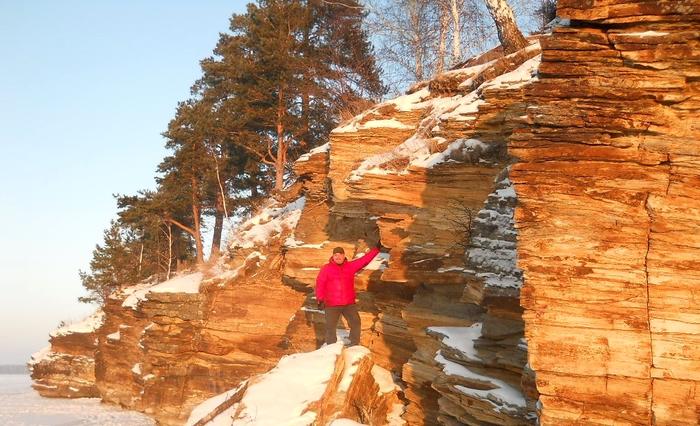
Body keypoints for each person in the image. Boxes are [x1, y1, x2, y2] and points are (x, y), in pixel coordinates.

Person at [315, 244, 381, 346]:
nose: (338, 257)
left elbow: (364, 260)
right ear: (333, 256)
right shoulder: (326, 268)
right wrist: (320, 299)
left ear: (344, 255)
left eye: (340, 254)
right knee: (330, 327)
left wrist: (377, 249)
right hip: (332, 304)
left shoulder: (350, 266)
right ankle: (331, 347)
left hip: (348, 304)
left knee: (356, 323)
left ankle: (354, 343)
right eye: (335, 255)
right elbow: (320, 284)